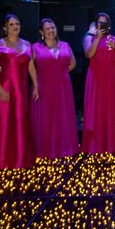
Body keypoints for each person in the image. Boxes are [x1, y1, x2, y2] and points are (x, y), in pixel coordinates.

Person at [0, 14, 38, 170]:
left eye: (17, 23)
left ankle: (19, 159)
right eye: (11, 24)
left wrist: (36, 86)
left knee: (20, 122)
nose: (15, 27)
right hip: (4, 88)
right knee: (4, 124)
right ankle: (1, 161)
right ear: (5, 27)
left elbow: (31, 66)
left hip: (22, 89)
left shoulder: (27, 44)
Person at [30, 18, 79, 159]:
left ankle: (63, 149)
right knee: (46, 118)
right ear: (41, 32)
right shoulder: (35, 47)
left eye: (53, 28)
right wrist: (37, 82)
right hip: (43, 87)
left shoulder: (65, 45)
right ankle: (46, 151)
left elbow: (73, 64)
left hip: (63, 87)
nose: (51, 30)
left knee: (62, 117)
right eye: (47, 28)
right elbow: (30, 66)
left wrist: (59, 73)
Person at [82, 12, 115, 154]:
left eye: (105, 23)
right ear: (96, 25)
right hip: (96, 81)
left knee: (111, 110)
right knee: (96, 109)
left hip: (112, 80)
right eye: (99, 23)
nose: (102, 26)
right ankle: (95, 145)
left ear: (109, 25)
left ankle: (111, 144)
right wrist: (98, 38)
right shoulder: (89, 38)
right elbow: (89, 54)